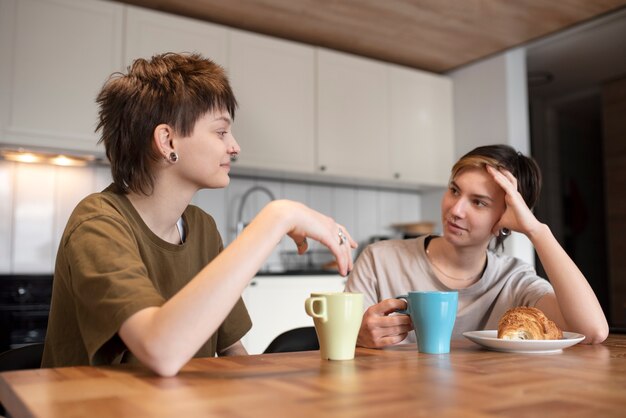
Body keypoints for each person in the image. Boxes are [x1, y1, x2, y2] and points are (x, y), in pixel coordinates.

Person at [42, 52, 357, 376]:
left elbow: (233, 350)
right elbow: (160, 350)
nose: (234, 146)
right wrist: (279, 216)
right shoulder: (98, 225)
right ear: (167, 141)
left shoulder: (202, 228)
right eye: (221, 132)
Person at [345, 144, 608, 348]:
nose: (455, 210)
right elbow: (339, 342)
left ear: (507, 217)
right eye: (455, 190)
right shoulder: (379, 259)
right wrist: (357, 336)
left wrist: (536, 230)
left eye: (478, 202)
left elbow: (592, 331)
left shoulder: (514, 281)